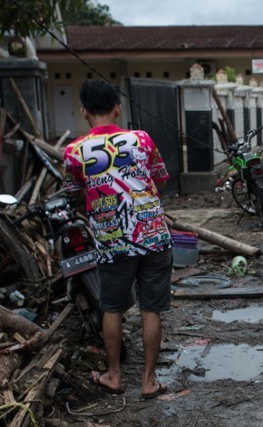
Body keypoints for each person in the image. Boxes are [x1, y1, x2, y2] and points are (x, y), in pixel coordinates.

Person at [63, 79, 171, 400]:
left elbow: (75, 196)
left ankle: (114, 376)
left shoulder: (74, 152)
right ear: (117, 108)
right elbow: (160, 180)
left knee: (112, 308)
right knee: (151, 309)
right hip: (153, 235)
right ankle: (149, 381)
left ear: (83, 112)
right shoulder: (141, 139)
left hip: (113, 240)